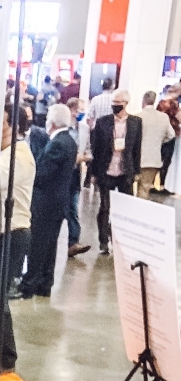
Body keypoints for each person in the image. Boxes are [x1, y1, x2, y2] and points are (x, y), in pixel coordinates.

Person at [0, 102, 36, 373]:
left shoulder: (17, 157)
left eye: (1, 122)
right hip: (5, 234)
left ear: (13, 127)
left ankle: (6, 356)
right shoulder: (6, 154)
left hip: (12, 234)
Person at [18, 104, 78, 299]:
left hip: (46, 203)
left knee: (38, 244)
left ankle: (29, 284)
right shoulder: (69, 140)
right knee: (50, 245)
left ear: (52, 122)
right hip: (57, 202)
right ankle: (45, 283)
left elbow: (42, 174)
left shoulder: (57, 143)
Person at [91, 88, 142, 254]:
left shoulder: (136, 122)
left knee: (124, 209)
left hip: (125, 171)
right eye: (113, 103)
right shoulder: (103, 122)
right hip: (105, 170)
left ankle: (119, 239)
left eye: (118, 103)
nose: (115, 105)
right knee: (104, 207)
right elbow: (96, 149)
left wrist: (136, 171)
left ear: (126, 103)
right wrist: (93, 173)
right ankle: (103, 242)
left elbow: (137, 148)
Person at [137, 91, 176, 198]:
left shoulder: (137, 117)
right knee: (144, 190)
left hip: (135, 159)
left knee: (128, 189)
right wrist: (159, 141)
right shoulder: (163, 118)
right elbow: (171, 135)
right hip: (153, 159)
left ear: (143, 101)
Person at [66, 97, 91, 257]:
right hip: (62, 173)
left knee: (73, 208)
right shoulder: (63, 127)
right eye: (80, 110)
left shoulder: (84, 128)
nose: (82, 113)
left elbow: (88, 148)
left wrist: (85, 157)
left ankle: (73, 242)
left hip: (75, 173)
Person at [157, 97, 180, 190]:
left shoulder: (161, 120)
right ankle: (162, 185)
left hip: (161, 142)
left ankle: (157, 184)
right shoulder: (173, 124)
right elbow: (172, 134)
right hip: (169, 143)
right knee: (165, 163)